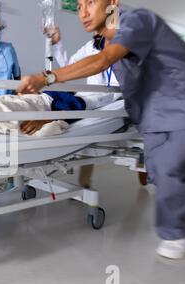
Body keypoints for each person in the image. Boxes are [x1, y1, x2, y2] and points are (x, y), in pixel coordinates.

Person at [18, 0, 185, 259]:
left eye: (91, 2)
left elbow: (103, 61)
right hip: (152, 115)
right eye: (78, 6)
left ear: (112, 3)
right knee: (161, 174)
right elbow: (87, 64)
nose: (83, 12)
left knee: (171, 171)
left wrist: (45, 78)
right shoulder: (107, 41)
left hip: (179, 106)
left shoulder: (137, 21)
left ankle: (176, 234)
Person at [47, 24, 122, 189]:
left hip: (112, 100)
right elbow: (69, 65)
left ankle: (85, 181)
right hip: (91, 98)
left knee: (90, 132)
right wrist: (57, 44)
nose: (96, 32)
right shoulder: (90, 47)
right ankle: (83, 178)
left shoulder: (122, 49)